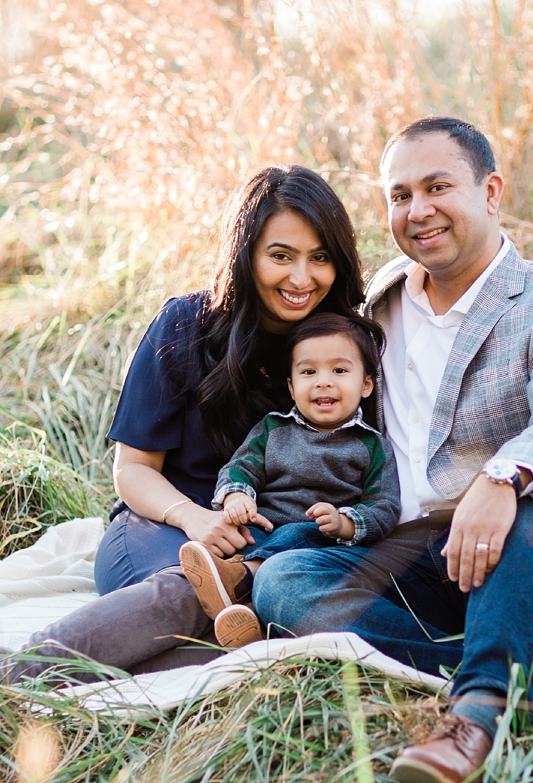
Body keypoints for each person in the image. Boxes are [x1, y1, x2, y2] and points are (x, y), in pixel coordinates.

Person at [252, 116, 533, 783]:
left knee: (528, 511)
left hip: (525, 539)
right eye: (400, 195)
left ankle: (475, 723)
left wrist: (504, 477)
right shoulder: (378, 304)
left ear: (491, 192)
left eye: (438, 187)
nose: (418, 210)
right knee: (282, 582)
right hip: (409, 550)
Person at [93, 165, 368, 597]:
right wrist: (192, 518)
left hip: (280, 543)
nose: (301, 279)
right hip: (169, 522)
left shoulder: (342, 348)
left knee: (259, 608)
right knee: (182, 594)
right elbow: (133, 469)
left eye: (320, 257)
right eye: (280, 256)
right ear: (246, 254)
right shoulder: (184, 325)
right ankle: (28, 662)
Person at [180, 311, 401, 649]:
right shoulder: (273, 429)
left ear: (366, 384)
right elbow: (241, 467)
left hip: (319, 541)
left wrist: (344, 523)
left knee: (299, 533)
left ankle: (238, 578)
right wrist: (237, 497)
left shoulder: (371, 445)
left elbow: (384, 506)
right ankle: (248, 619)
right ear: (291, 385)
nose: (323, 381)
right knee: (236, 537)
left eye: (339, 371)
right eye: (308, 372)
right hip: (265, 528)